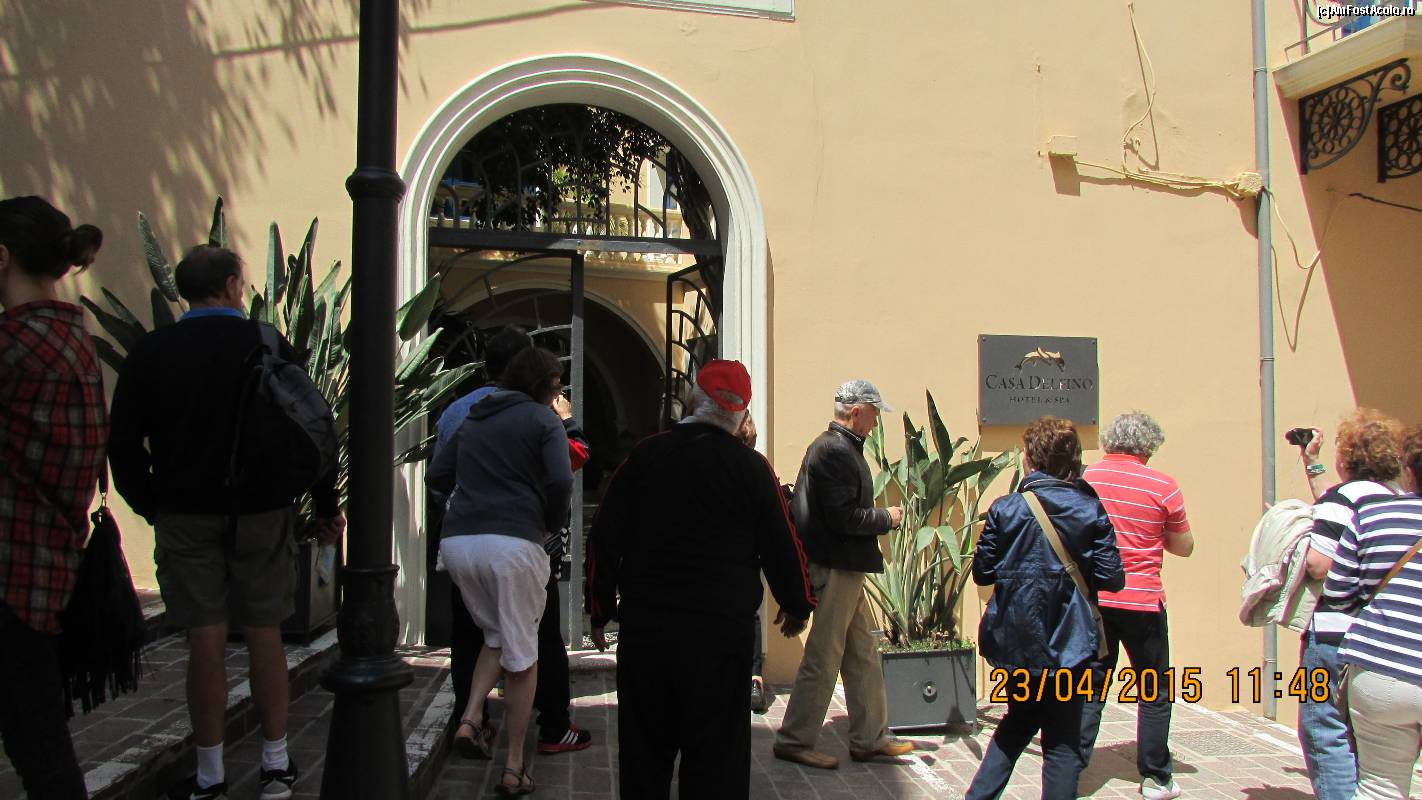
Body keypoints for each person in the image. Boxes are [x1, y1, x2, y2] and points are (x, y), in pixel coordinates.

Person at [108, 245, 344, 800]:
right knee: (265, 632)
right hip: (261, 509)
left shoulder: (152, 350)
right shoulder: (264, 342)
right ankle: (275, 763)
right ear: (235, 285)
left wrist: (152, 504)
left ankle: (210, 772)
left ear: (182, 290)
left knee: (205, 639)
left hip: (185, 510)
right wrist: (323, 503)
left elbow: (123, 442)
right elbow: (312, 424)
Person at [587, 360, 815, 800]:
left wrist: (599, 608)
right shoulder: (752, 469)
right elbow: (784, 544)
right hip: (720, 637)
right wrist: (796, 603)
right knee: (717, 763)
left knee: (644, 756)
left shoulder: (646, 456)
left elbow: (604, 535)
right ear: (740, 416)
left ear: (692, 402)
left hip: (649, 631)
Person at [432, 325, 592, 756]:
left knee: (482, 637)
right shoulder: (542, 418)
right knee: (530, 650)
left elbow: (437, 475)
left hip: (462, 543)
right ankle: (521, 758)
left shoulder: (466, 413)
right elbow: (564, 474)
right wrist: (548, 525)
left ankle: (471, 719)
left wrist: (464, 505)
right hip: (518, 543)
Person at [0, 196, 105, 800]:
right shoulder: (75, 341)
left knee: (39, 744)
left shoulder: (15, 343)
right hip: (47, 563)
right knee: (39, 738)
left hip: (11, 566)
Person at [965, 416, 1124, 800]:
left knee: (1017, 723)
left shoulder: (1005, 509)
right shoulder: (1090, 509)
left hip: (1018, 642)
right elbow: (1112, 578)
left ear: (1030, 459)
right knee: (1064, 740)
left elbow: (982, 572)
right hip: (1072, 645)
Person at [773, 379, 911, 770]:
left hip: (845, 565)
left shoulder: (837, 447)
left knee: (862, 652)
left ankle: (870, 737)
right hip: (836, 565)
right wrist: (887, 517)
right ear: (856, 411)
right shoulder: (835, 450)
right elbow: (843, 518)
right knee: (825, 653)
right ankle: (794, 739)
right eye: (873, 414)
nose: (875, 422)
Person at [1078, 412, 1193, 800]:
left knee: (1091, 684)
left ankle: (1071, 766)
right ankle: (1156, 777)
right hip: (1143, 600)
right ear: (1149, 446)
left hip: (1095, 599)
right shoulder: (1163, 486)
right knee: (1153, 689)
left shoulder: (1085, 480)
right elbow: (1184, 546)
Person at [1295, 409, 1405, 800]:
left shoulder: (1342, 500)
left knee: (1322, 726)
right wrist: (1312, 462)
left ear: (1348, 457)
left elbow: (1319, 564)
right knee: (1364, 734)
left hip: (1333, 634)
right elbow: (1332, 502)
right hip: (1384, 638)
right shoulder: (1397, 500)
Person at [1324, 423, 1422, 800]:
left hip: (1381, 668)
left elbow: (1338, 593)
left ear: (1409, 468)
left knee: (1379, 788)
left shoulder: (1373, 514)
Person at [735, 412, 774, 715]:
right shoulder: (759, 468)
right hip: (747, 558)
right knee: (751, 615)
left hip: (723, 560)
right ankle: (754, 678)